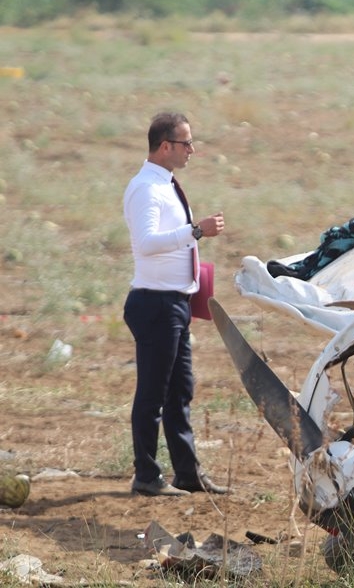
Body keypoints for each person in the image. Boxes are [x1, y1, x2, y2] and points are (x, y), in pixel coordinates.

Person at [123, 112, 227, 497]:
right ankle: (146, 475)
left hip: (175, 305)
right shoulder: (145, 189)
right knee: (152, 393)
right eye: (186, 144)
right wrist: (196, 231)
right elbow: (147, 242)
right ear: (165, 146)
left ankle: (187, 473)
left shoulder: (165, 185)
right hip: (155, 305)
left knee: (179, 391)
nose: (192, 150)